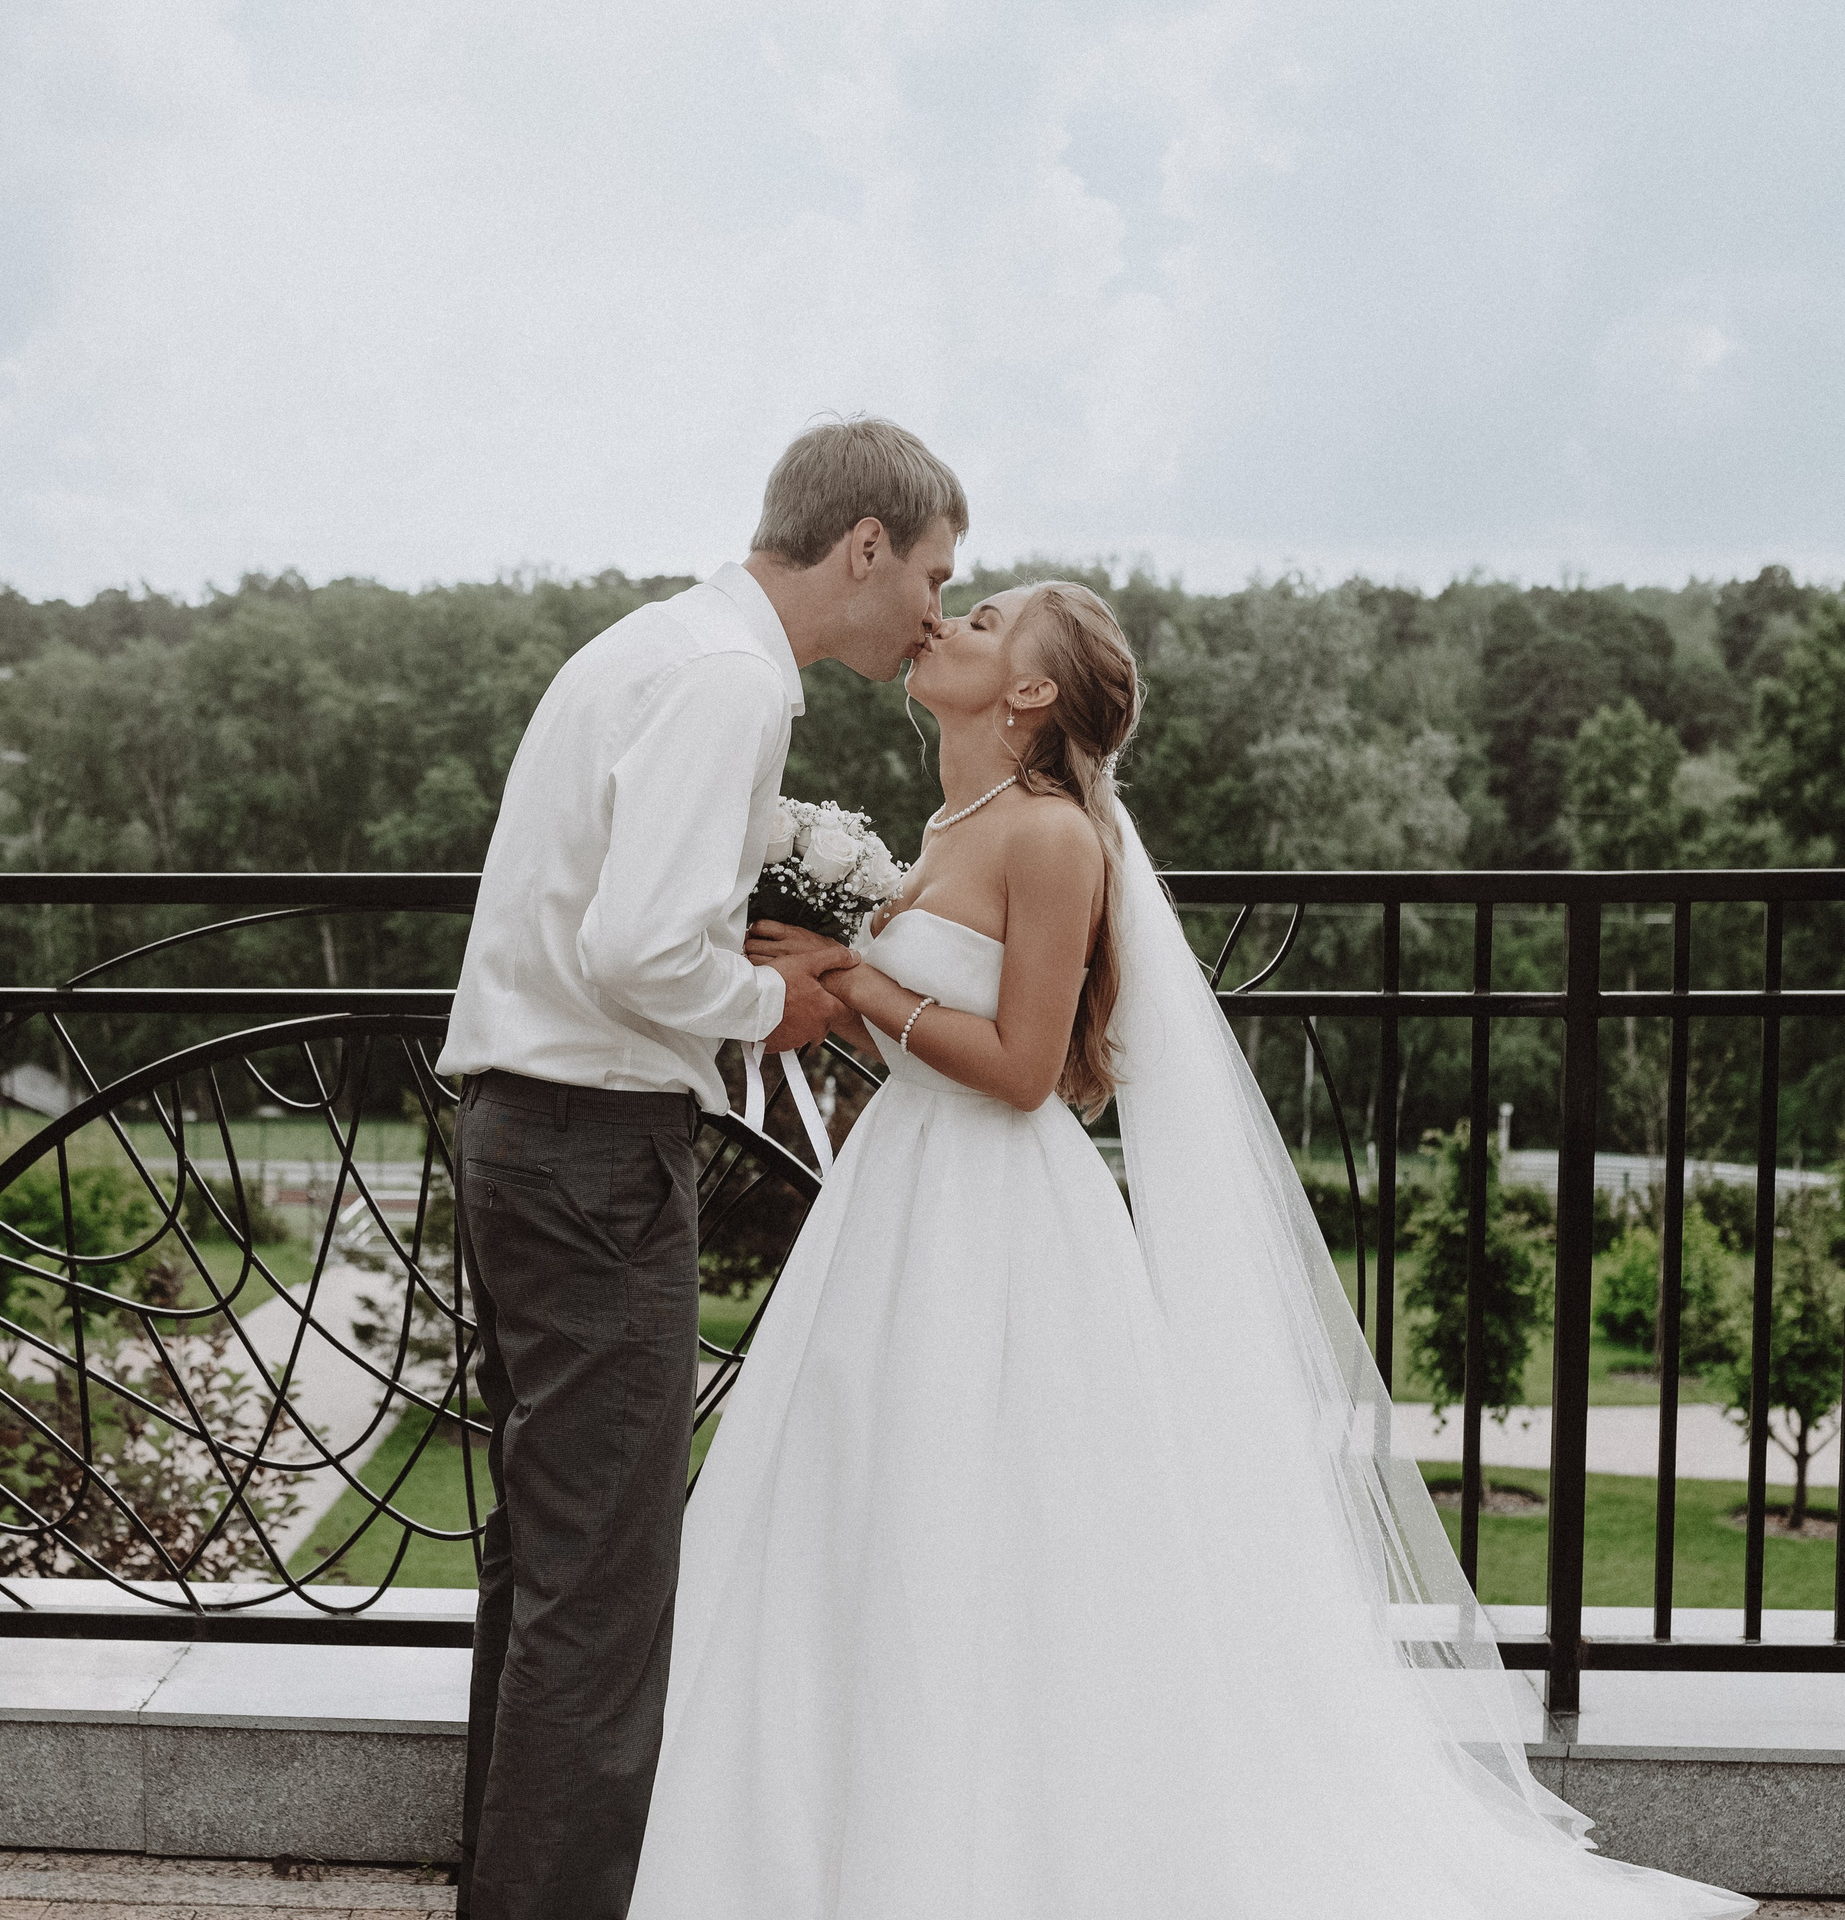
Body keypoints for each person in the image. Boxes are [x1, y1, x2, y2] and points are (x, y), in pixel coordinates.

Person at [625, 581, 1753, 1918]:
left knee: (994, 1518)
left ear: (1033, 694)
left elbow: (1030, 1068)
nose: (948, 625)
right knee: (867, 1494)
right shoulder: (945, 822)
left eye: (984, 622)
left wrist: (854, 976)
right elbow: (926, 1047)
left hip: (1001, 1221)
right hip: (901, 1197)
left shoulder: (1051, 839)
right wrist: (822, 986)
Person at [437, 417, 965, 1920]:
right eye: (933, 572)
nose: (935, 608)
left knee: (548, 1562)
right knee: (605, 1589)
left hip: (528, 1132)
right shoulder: (734, 682)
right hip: (593, 1147)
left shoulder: (661, 644)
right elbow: (637, 945)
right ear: (863, 545)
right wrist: (769, 1007)